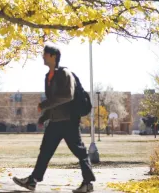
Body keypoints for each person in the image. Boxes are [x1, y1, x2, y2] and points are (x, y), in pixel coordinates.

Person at [13, 44, 96, 193]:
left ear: (53, 56)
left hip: (69, 120)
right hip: (55, 121)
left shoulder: (65, 73)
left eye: (45, 54)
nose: (42, 57)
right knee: (45, 151)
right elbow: (54, 100)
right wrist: (44, 116)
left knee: (80, 152)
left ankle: (88, 183)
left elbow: (67, 96)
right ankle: (33, 181)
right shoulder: (48, 77)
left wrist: (44, 104)